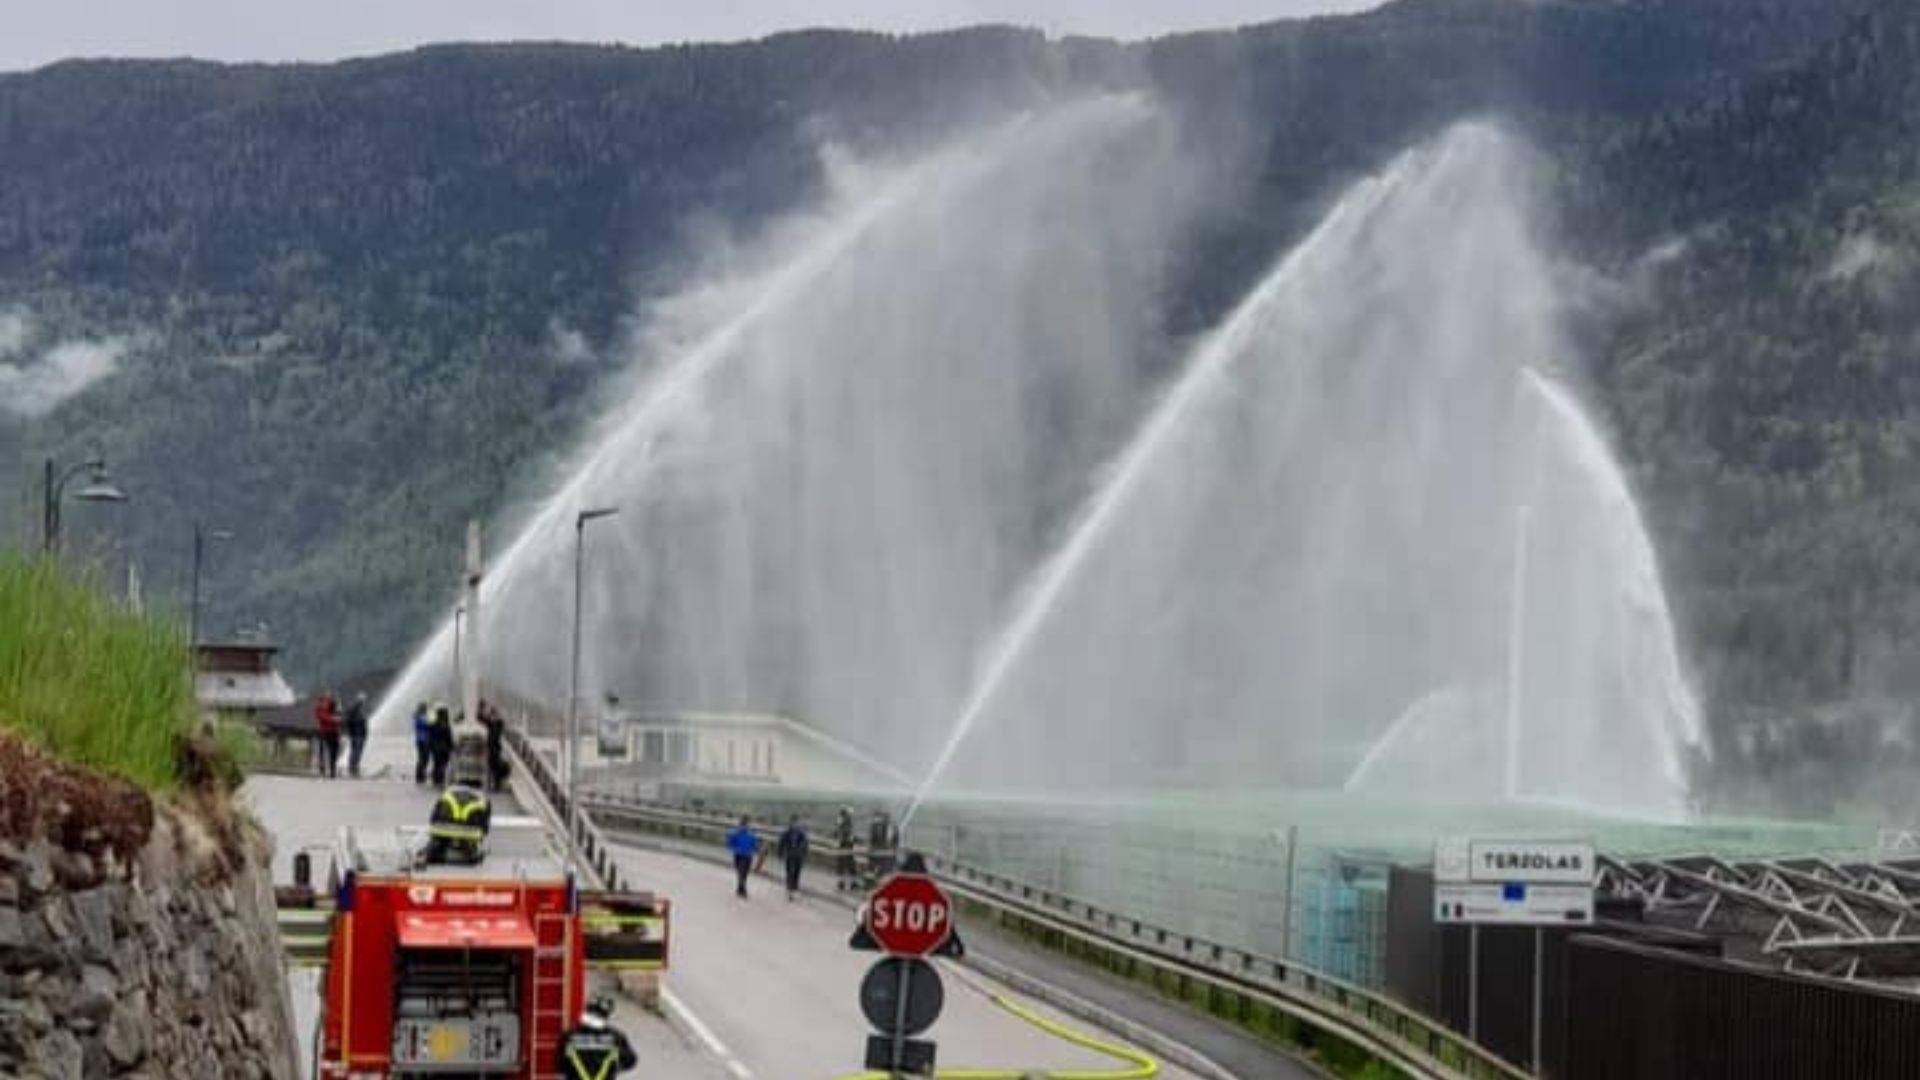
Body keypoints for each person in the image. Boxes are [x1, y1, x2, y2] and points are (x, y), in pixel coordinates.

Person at [556, 996, 637, 1079]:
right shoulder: (616, 1038)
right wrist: (614, 1068)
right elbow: (630, 1061)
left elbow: (560, 1065)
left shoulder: (569, 1036)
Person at [426, 783, 492, 865]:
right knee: (471, 842)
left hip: (442, 828)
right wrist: (482, 835)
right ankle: (469, 847)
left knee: (439, 840)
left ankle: (438, 846)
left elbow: (434, 816)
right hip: (471, 831)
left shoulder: (446, 793)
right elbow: (485, 824)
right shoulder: (483, 798)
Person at [775, 815, 810, 901]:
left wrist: (804, 854)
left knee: (797, 873)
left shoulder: (801, 834)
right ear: (791, 823)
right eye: (794, 822)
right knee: (790, 872)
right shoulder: (786, 833)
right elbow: (781, 843)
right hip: (790, 855)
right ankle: (790, 889)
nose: (795, 824)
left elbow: (805, 844)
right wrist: (780, 853)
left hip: (798, 856)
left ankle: (794, 888)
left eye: (797, 823)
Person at [726, 815, 759, 899]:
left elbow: (755, 845)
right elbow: (730, 843)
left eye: (746, 824)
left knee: (744, 873)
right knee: (741, 872)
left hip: (747, 855)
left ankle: (740, 888)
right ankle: (743, 889)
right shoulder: (736, 833)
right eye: (744, 824)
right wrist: (734, 848)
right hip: (740, 855)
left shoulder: (750, 835)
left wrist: (756, 850)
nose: (745, 826)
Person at [480, 701, 507, 792]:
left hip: (495, 748)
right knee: (492, 766)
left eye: (493, 714)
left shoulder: (498, 724)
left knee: (495, 766)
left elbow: (484, 719)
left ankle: (496, 784)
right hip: (492, 748)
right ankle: (494, 784)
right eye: (492, 714)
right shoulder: (492, 724)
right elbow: (481, 718)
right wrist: (481, 707)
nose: (492, 717)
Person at [313, 690, 341, 779]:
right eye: (327, 694)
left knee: (334, 751)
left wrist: (338, 718)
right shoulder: (320, 705)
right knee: (323, 751)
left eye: (330, 695)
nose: (329, 696)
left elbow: (339, 715)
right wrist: (333, 719)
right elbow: (321, 716)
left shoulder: (335, 704)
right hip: (324, 731)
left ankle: (333, 770)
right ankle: (323, 769)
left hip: (334, 731)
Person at [343, 692, 370, 779]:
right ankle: (353, 769)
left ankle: (354, 768)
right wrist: (351, 731)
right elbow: (349, 721)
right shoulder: (354, 709)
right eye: (363, 699)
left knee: (357, 752)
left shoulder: (360, 709)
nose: (364, 701)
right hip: (356, 734)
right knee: (356, 752)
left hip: (360, 734)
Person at [427, 703, 454, 786]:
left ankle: (436, 779)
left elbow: (430, 735)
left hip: (435, 747)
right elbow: (448, 737)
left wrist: (430, 746)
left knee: (436, 763)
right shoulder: (446, 725)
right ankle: (440, 778)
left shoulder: (433, 724)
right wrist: (451, 746)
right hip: (444, 748)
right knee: (443, 764)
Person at [834, 807, 857, 891]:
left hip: (844, 845)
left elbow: (838, 833)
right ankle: (848, 883)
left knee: (843, 865)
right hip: (846, 845)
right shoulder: (845, 822)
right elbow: (846, 834)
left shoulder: (841, 821)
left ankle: (843, 883)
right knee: (849, 865)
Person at [412, 701, 432, 785]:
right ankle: (420, 775)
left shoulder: (418, 717)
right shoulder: (420, 717)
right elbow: (427, 724)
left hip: (420, 740)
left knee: (422, 758)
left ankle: (420, 774)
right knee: (423, 758)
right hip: (423, 740)